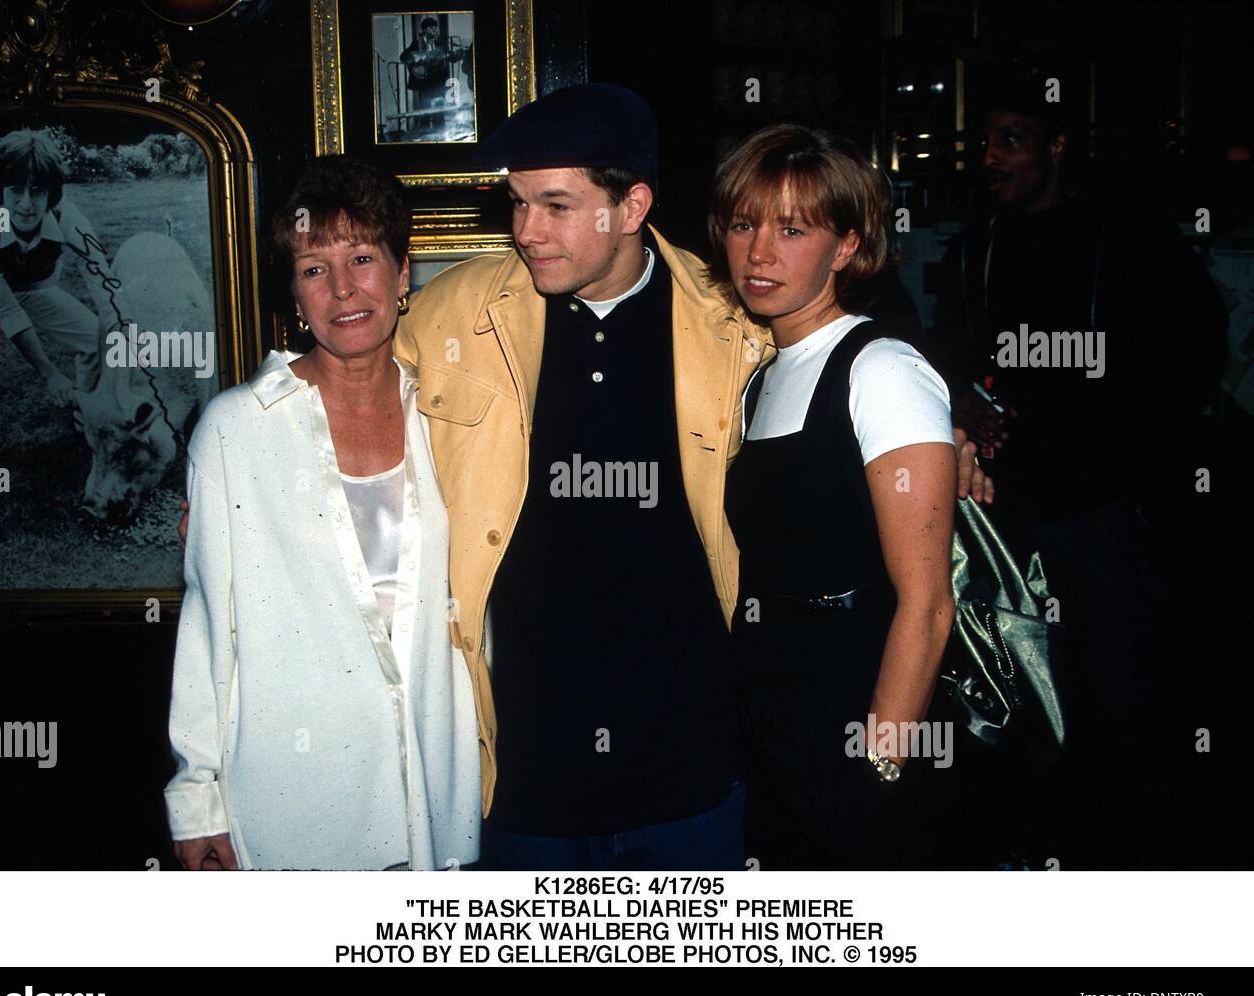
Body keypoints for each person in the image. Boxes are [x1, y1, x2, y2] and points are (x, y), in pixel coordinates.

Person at [389, 84, 989, 869]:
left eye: (557, 206)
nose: (525, 231)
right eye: (518, 203)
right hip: (523, 764)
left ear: (631, 206)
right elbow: (354, 395)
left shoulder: (733, 323)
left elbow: (861, 390)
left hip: (699, 764)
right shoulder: (457, 314)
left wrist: (942, 440)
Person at [932, 66, 1228, 868]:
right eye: (983, 141)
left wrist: (1115, 429)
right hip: (1002, 522)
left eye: (1011, 140)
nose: (990, 157)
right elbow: (953, 352)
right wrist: (965, 401)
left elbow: (1195, 345)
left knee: (1118, 710)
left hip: (1098, 517)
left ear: (1057, 145)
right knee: (1018, 709)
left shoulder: (1122, 236)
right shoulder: (976, 245)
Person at [164, 155, 480, 870]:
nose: (343, 289)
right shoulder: (235, 430)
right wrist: (197, 798)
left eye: (364, 258)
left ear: (404, 277)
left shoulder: (451, 417)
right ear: (295, 295)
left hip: (436, 787)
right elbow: (210, 628)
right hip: (294, 802)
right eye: (314, 268)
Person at [706, 124, 961, 869]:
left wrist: (881, 766)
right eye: (745, 224)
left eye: (792, 229)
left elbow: (928, 603)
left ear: (846, 246)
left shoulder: (881, 367)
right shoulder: (760, 377)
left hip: (860, 705)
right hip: (772, 715)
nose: (759, 253)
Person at [0, 129, 119, 530]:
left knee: (100, 337)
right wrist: (49, 374)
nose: (26, 204)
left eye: (37, 191)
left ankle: (89, 421)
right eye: (15, 191)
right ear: (0, 191)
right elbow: (9, 314)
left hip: (34, 287)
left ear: (53, 194)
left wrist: (125, 336)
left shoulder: (69, 218)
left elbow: (104, 284)